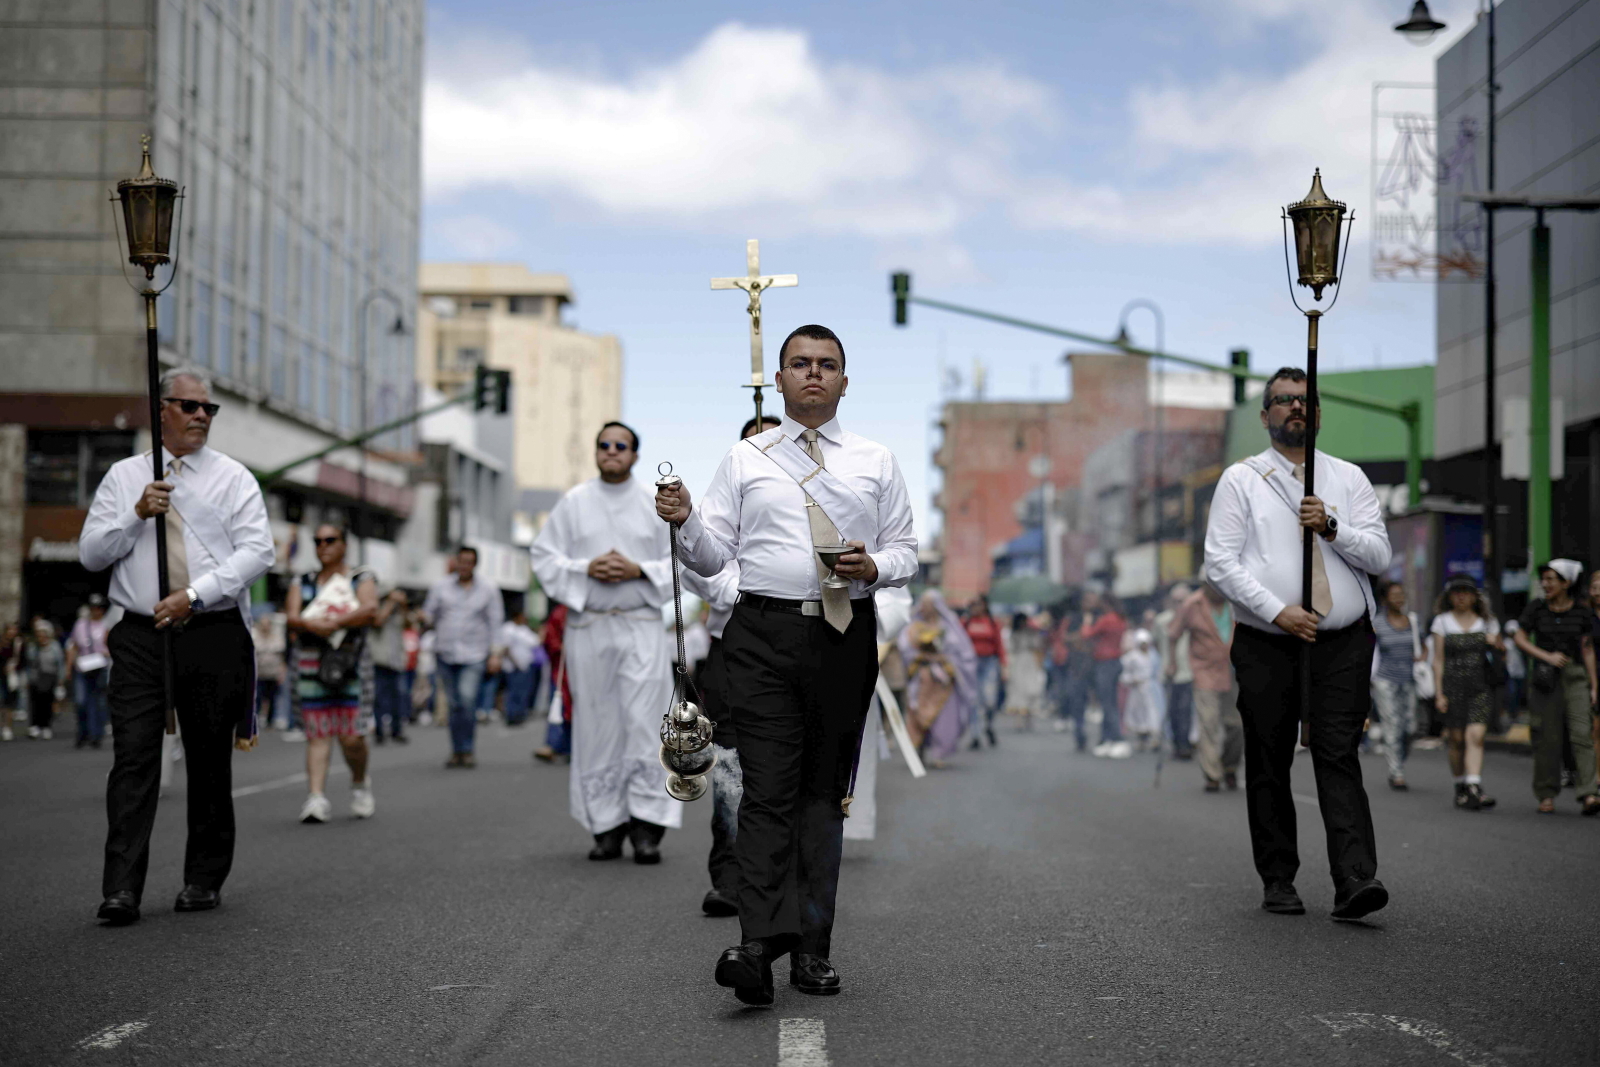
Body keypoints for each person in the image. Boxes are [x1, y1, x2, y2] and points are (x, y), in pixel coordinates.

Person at [655, 323, 917, 1005]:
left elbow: (908, 550)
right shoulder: (746, 459)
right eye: (799, 363)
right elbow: (715, 556)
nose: (813, 374)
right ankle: (755, 946)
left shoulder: (875, 459)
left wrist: (876, 566)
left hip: (841, 632)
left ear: (844, 381)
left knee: (821, 796)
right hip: (761, 632)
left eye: (827, 364)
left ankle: (812, 951)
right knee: (766, 791)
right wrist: (684, 522)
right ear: (779, 379)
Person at [79, 366, 275, 924]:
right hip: (140, 633)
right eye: (188, 406)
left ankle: (202, 877)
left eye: (208, 409)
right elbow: (92, 553)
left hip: (210, 630)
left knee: (210, 760)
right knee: (133, 758)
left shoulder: (234, 478)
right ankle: (121, 888)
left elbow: (257, 553)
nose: (200, 417)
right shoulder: (124, 477)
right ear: (159, 408)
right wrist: (135, 514)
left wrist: (195, 593)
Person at [1203, 365, 1392, 920]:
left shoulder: (1349, 479)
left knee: (1338, 755)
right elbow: (1219, 563)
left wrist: (1333, 526)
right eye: (1283, 400)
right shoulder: (1242, 479)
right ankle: (1278, 878)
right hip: (1269, 642)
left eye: (1304, 399)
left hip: (1343, 643)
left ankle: (1355, 879)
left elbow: (1379, 556)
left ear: (1318, 414)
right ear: (1265, 417)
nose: (1294, 407)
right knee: (1269, 759)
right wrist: (1277, 611)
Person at [531, 421, 678, 863]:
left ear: (634, 455)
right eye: (604, 445)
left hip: (640, 627)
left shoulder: (652, 504)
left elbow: (680, 560)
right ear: (596, 452)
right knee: (596, 726)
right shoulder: (574, 502)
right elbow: (544, 556)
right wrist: (586, 569)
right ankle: (606, 827)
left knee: (642, 723)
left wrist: (637, 570)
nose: (612, 451)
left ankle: (646, 828)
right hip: (589, 627)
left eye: (621, 446)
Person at [683, 412, 775, 918]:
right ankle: (730, 877)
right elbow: (700, 566)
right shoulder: (724, 501)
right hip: (729, 650)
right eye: (752, 444)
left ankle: (782, 876)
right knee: (730, 767)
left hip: (793, 647)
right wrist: (747, 584)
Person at [286, 524, 378, 823]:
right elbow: (291, 616)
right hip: (311, 663)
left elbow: (370, 608)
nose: (323, 545)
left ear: (344, 544)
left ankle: (360, 784)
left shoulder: (360, 577)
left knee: (352, 736)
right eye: (317, 541)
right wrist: (313, 625)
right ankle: (316, 798)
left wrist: (335, 623)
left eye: (330, 540)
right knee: (318, 732)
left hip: (350, 663)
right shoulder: (303, 580)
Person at [1513, 559, 1597, 815]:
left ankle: (1589, 793)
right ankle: (1546, 794)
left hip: (1575, 676)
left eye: (1552, 579)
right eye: (1545, 579)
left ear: (1566, 583)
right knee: (1546, 737)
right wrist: (1544, 655)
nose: (1546, 584)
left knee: (1582, 734)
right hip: (1545, 678)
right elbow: (1519, 636)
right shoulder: (1536, 608)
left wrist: (1594, 685)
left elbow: (1588, 649)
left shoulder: (1582, 612)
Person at [421, 546, 504, 768]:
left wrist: (495, 654)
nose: (464, 566)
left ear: (475, 564)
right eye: (461, 561)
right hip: (445, 653)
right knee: (453, 704)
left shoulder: (488, 589)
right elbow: (429, 615)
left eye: (469, 562)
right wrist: (424, 617)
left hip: (474, 654)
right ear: (455, 562)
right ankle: (456, 750)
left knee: (467, 700)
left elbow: (496, 623)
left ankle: (467, 749)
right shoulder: (440, 587)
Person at [1428, 576, 1502, 810]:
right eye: (1456, 592)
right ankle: (1460, 787)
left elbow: (1501, 654)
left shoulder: (1488, 622)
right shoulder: (1442, 622)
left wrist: (1495, 642)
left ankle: (1473, 786)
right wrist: (1439, 693)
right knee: (1457, 740)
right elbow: (1438, 660)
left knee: (1476, 736)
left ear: (1475, 597)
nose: (1461, 596)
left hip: (1480, 687)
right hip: (1452, 687)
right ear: (1449, 597)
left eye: (1466, 592)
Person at [1167, 583, 1238, 792]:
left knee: (1237, 726)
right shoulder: (1192, 604)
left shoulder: (1234, 598)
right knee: (1208, 723)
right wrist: (1172, 663)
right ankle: (1212, 775)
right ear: (1206, 585)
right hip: (1204, 671)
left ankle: (1230, 767)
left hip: (1234, 670)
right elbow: (1173, 634)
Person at [902, 591, 979, 765]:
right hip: (921, 679)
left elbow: (963, 652)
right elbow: (906, 651)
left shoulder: (949, 627)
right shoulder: (914, 627)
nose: (925, 608)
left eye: (928, 604)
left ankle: (939, 752)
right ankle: (919, 748)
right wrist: (922, 657)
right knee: (918, 714)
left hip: (944, 680)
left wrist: (944, 660)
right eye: (923, 604)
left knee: (944, 716)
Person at [1370, 580, 1423, 791]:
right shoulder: (1377, 623)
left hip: (1409, 679)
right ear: (1384, 599)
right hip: (1385, 681)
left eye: (1402, 594)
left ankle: (1398, 761)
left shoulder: (1413, 621)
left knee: (1410, 728)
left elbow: (1424, 646)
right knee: (1392, 726)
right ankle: (1396, 772)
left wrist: (1421, 658)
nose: (1399, 599)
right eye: (1394, 595)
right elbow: (1370, 652)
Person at [1081, 593, 1130, 758]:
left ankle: (1117, 738)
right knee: (1110, 702)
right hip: (1115, 661)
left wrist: (1087, 621)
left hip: (1105, 663)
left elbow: (1086, 634)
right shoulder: (1120, 619)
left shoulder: (1107, 619)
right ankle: (1105, 739)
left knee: (1108, 703)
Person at [66, 594, 113, 748]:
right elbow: (73, 646)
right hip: (83, 666)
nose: (96, 611)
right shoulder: (81, 625)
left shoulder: (106, 625)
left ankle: (96, 734)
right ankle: (82, 733)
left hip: (100, 666)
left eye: (99, 608)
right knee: (81, 701)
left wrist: (106, 652)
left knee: (98, 701)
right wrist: (68, 667)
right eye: (93, 608)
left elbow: (112, 646)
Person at [1154, 585, 1194, 761]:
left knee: (1185, 710)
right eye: (1176, 601)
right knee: (1172, 711)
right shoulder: (1162, 620)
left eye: (1182, 601)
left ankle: (1184, 744)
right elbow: (1156, 643)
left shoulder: (1194, 619)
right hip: (1169, 673)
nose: (1179, 604)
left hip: (1188, 671)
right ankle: (1177, 743)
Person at [962, 595, 1006, 748]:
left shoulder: (992, 623)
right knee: (974, 700)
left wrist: (1004, 666)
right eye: (973, 605)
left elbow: (999, 645)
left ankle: (988, 723)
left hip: (989, 663)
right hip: (972, 664)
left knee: (989, 699)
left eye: (978, 605)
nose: (975, 608)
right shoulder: (966, 623)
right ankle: (975, 735)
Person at [370, 587, 412, 744]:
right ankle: (379, 731)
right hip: (379, 660)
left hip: (396, 661)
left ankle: (396, 731)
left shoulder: (398, 613)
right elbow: (378, 621)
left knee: (398, 697)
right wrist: (391, 601)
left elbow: (408, 624)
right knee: (379, 698)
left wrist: (403, 605)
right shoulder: (377, 609)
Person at [1002, 612, 1047, 730]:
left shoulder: (1032, 633)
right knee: (1018, 690)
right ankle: (1018, 721)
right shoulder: (1014, 634)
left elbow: (1038, 645)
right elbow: (1010, 648)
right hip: (1018, 663)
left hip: (1030, 663)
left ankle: (1029, 719)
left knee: (1031, 690)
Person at [497, 609, 542, 726]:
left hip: (526, 665)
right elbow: (506, 649)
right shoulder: (508, 629)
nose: (524, 619)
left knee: (523, 691)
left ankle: (520, 714)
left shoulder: (523, 629)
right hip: (513, 667)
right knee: (513, 692)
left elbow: (536, 641)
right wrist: (516, 663)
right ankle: (511, 715)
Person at [23, 618, 64, 739]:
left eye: (43, 635)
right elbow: (28, 663)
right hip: (35, 678)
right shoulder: (32, 647)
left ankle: (46, 726)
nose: (41, 638)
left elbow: (60, 664)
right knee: (35, 703)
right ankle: (34, 726)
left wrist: (61, 680)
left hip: (50, 677)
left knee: (47, 703)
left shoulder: (55, 647)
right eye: (38, 636)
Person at [252, 608, 287, 731]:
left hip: (273, 673)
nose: (265, 627)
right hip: (259, 673)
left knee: (272, 697)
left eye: (267, 624)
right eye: (263, 624)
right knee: (258, 697)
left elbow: (282, 656)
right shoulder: (254, 636)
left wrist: (282, 672)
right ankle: (255, 719)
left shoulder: (276, 636)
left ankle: (270, 720)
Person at [0, 622, 20, 742]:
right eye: (10, 630)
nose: (12, 632)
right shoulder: (1, 643)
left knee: (9, 703)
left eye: (14, 630)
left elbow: (23, 661)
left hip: (12, 677)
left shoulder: (18, 644)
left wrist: (14, 667)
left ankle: (7, 727)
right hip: (1, 676)